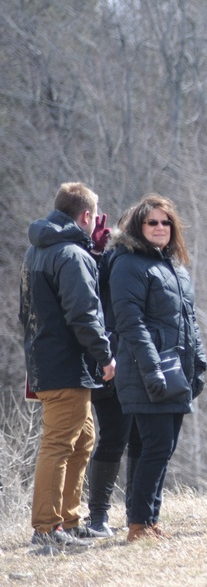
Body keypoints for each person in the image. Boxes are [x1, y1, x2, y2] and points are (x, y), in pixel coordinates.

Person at [19, 182, 117, 551]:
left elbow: (25, 311)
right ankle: (46, 529)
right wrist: (104, 355)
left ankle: (70, 521)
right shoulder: (72, 255)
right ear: (88, 216)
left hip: (46, 360)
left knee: (84, 438)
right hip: (67, 365)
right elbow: (84, 313)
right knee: (59, 443)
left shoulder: (37, 250)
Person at [111, 194, 207, 542]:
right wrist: (152, 370)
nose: (160, 228)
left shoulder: (175, 267)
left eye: (165, 222)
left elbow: (189, 320)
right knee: (155, 446)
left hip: (177, 371)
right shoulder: (127, 263)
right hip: (146, 371)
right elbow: (130, 323)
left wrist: (198, 361)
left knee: (155, 448)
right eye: (152, 222)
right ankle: (138, 525)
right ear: (138, 225)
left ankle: (147, 520)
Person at [84, 210, 135, 538]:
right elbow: (89, 289)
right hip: (109, 361)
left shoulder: (162, 262)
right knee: (114, 437)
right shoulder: (107, 258)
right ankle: (98, 516)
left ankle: (139, 513)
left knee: (141, 441)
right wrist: (96, 252)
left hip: (143, 361)